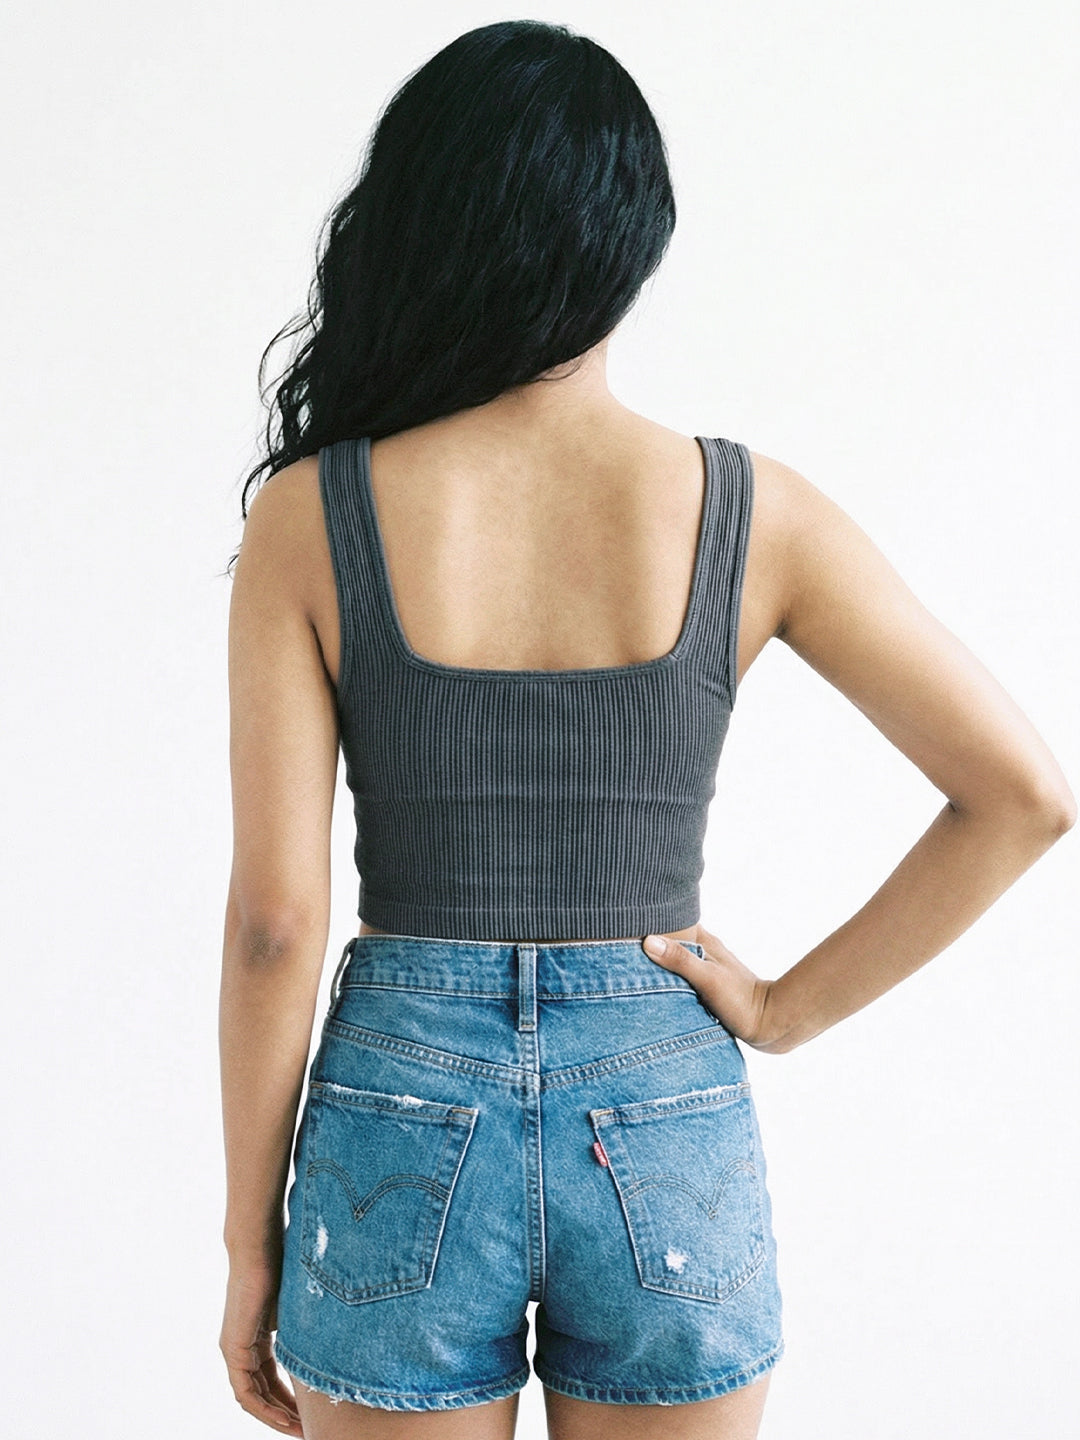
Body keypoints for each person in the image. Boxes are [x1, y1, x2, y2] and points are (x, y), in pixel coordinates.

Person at [217, 19, 1075, 1440]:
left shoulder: (314, 515)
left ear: (418, 223)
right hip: (662, 1095)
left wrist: (249, 1245)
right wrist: (782, 1011)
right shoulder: (753, 512)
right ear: (631, 245)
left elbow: (274, 926)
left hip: (398, 1101)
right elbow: (1024, 796)